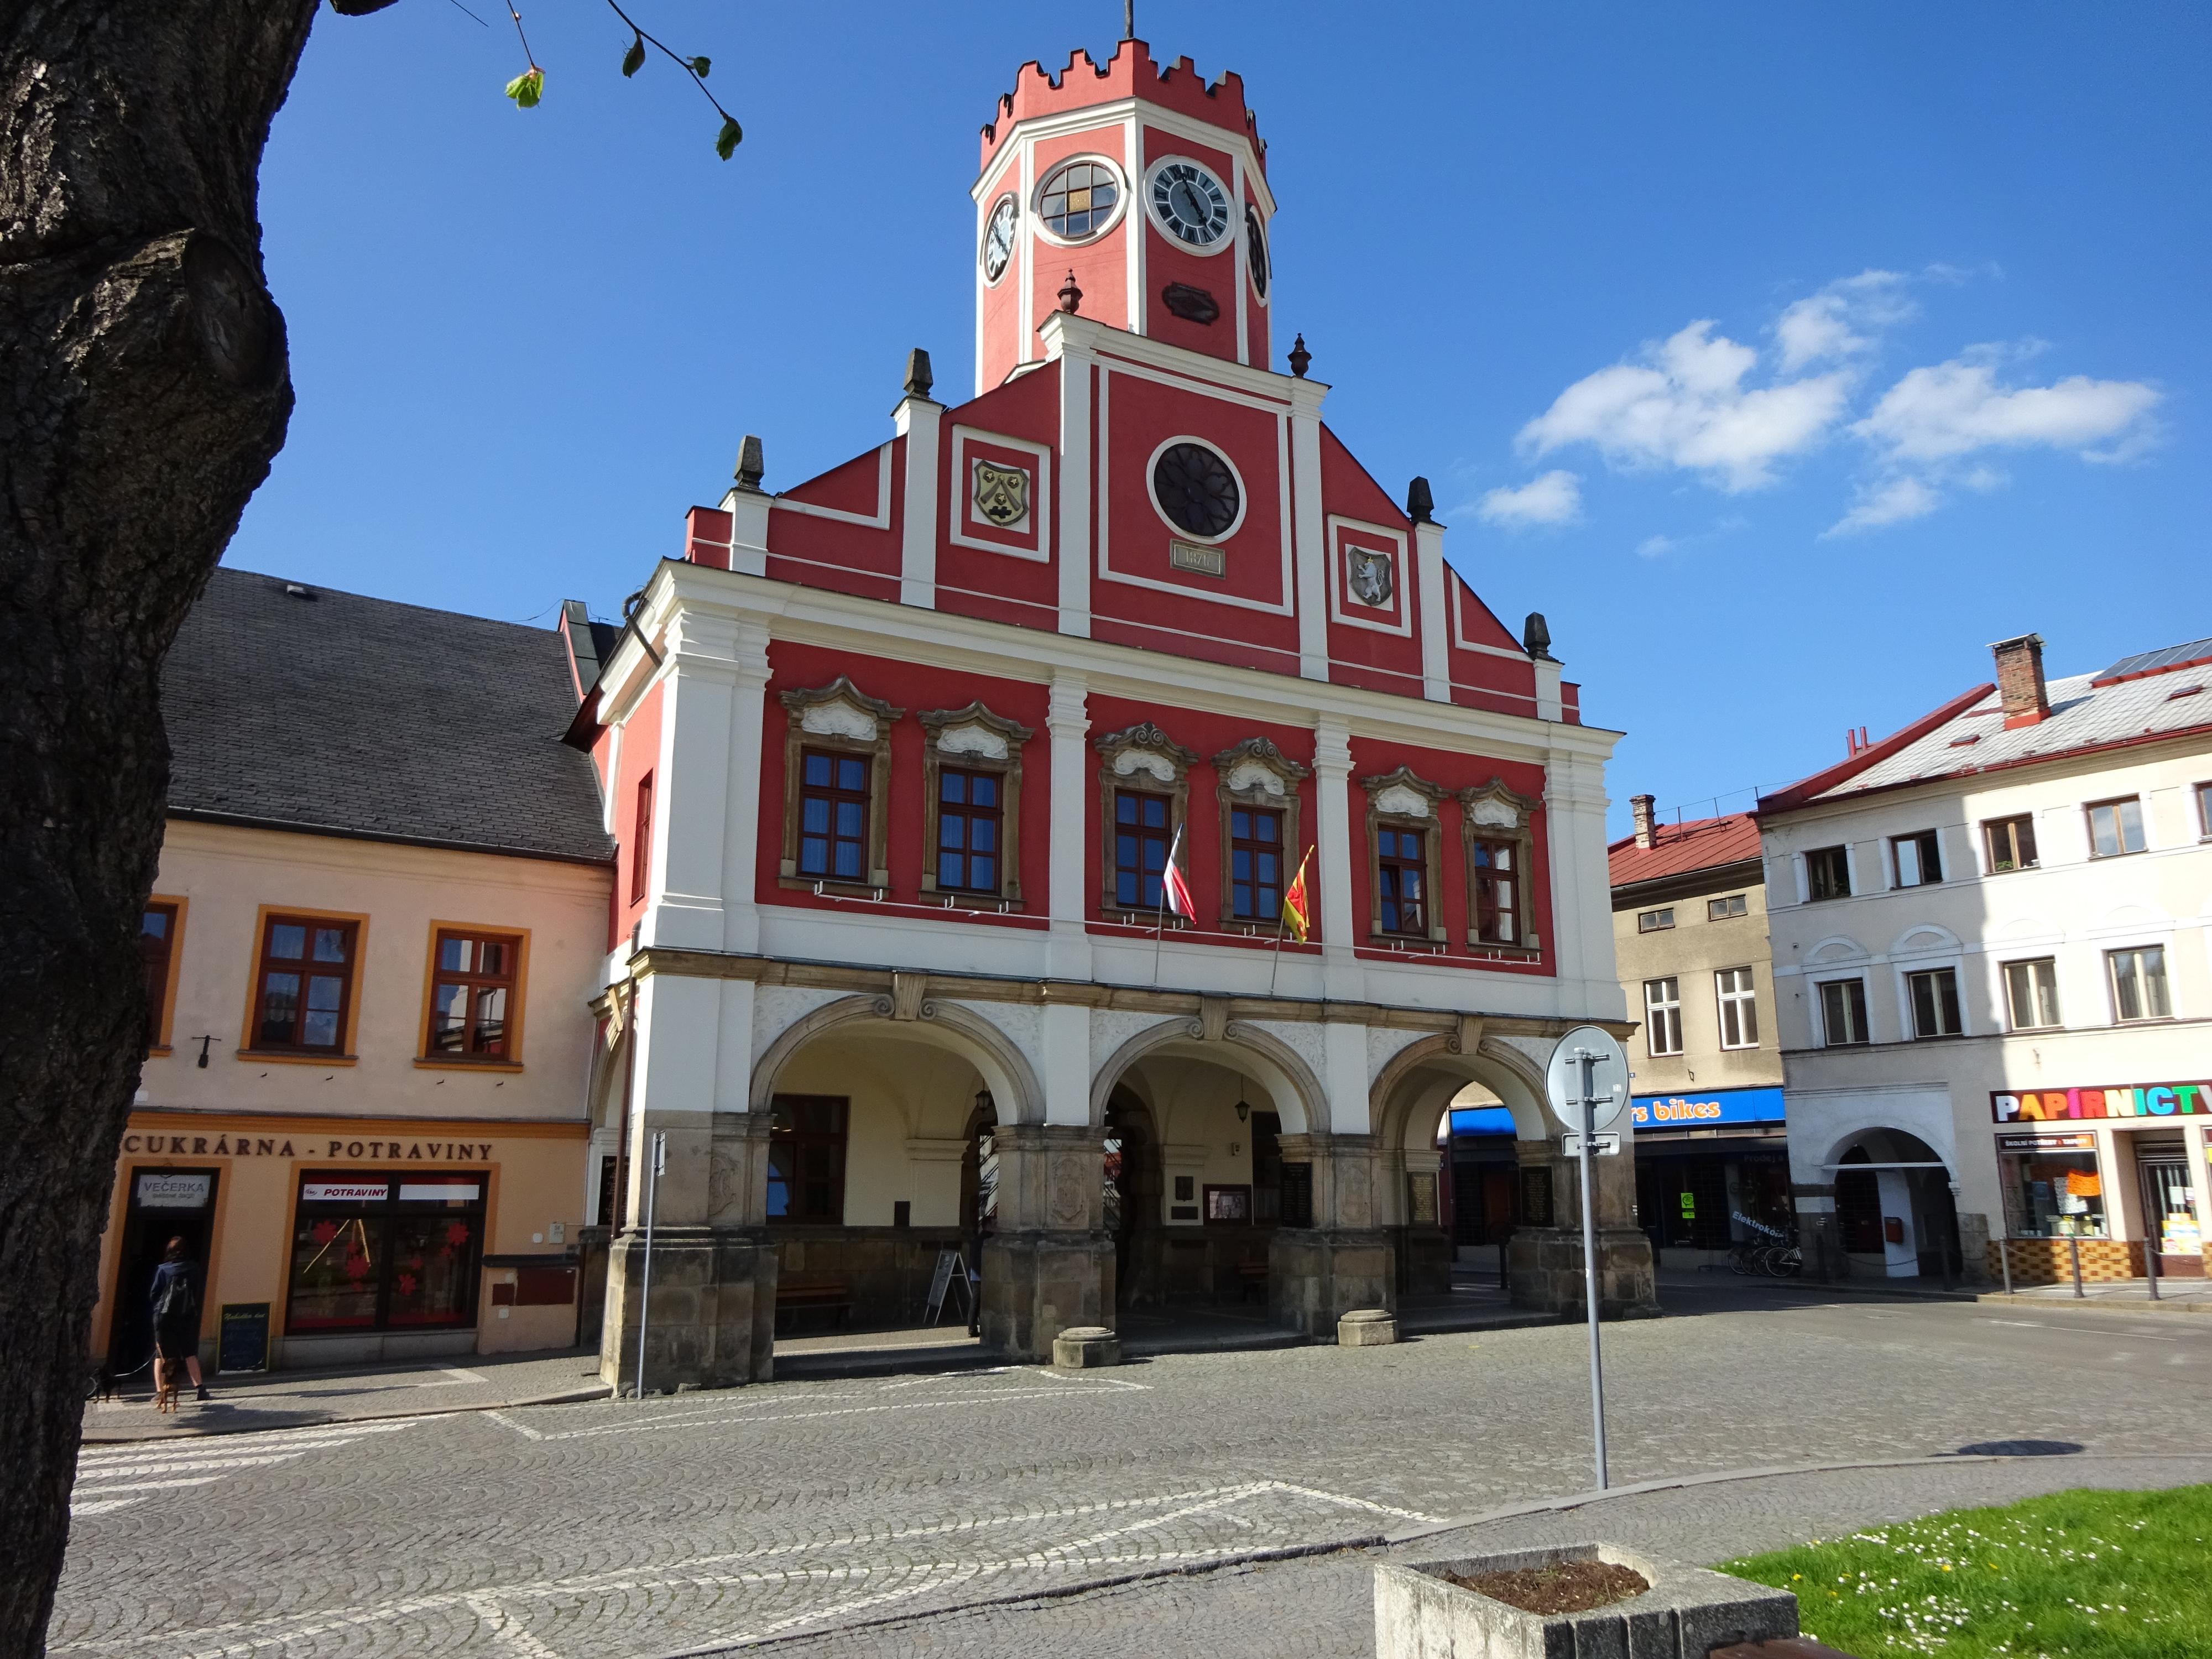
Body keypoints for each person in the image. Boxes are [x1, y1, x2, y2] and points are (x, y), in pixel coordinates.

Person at [149, 1238, 209, 1405]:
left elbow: (154, 1294)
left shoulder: (163, 1269)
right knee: (190, 1352)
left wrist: (159, 1309)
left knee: (160, 1353)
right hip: (186, 1316)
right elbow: (198, 1291)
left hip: (163, 1317)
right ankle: (200, 1389)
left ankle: (160, 1391)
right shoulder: (194, 1268)